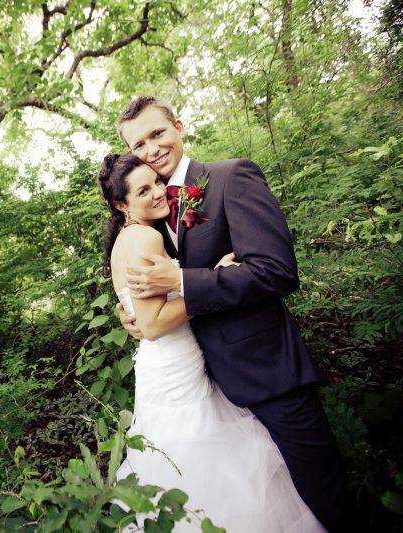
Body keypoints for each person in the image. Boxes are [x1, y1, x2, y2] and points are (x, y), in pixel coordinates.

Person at [114, 96, 347, 531]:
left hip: (269, 374)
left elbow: (276, 271)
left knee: (324, 496)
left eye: (157, 133)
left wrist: (182, 280)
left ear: (179, 126)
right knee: (259, 502)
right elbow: (149, 285)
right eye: (139, 144)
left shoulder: (230, 177)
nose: (151, 149)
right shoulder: (153, 207)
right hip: (208, 390)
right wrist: (132, 310)